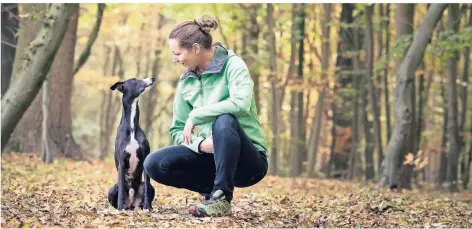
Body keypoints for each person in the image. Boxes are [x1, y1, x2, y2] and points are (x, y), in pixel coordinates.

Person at [143, 15, 268, 217]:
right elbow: (177, 129)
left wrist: (196, 116)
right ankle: (213, 190)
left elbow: (241, 103)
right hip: (212, 158)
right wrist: (200, 145)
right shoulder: (186, 82)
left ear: (195, 48)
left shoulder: (233, 65)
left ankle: (221, 199)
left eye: (177, 53)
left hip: (249, 163)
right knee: (154, 164)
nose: (174, 59)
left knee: (224, 120)